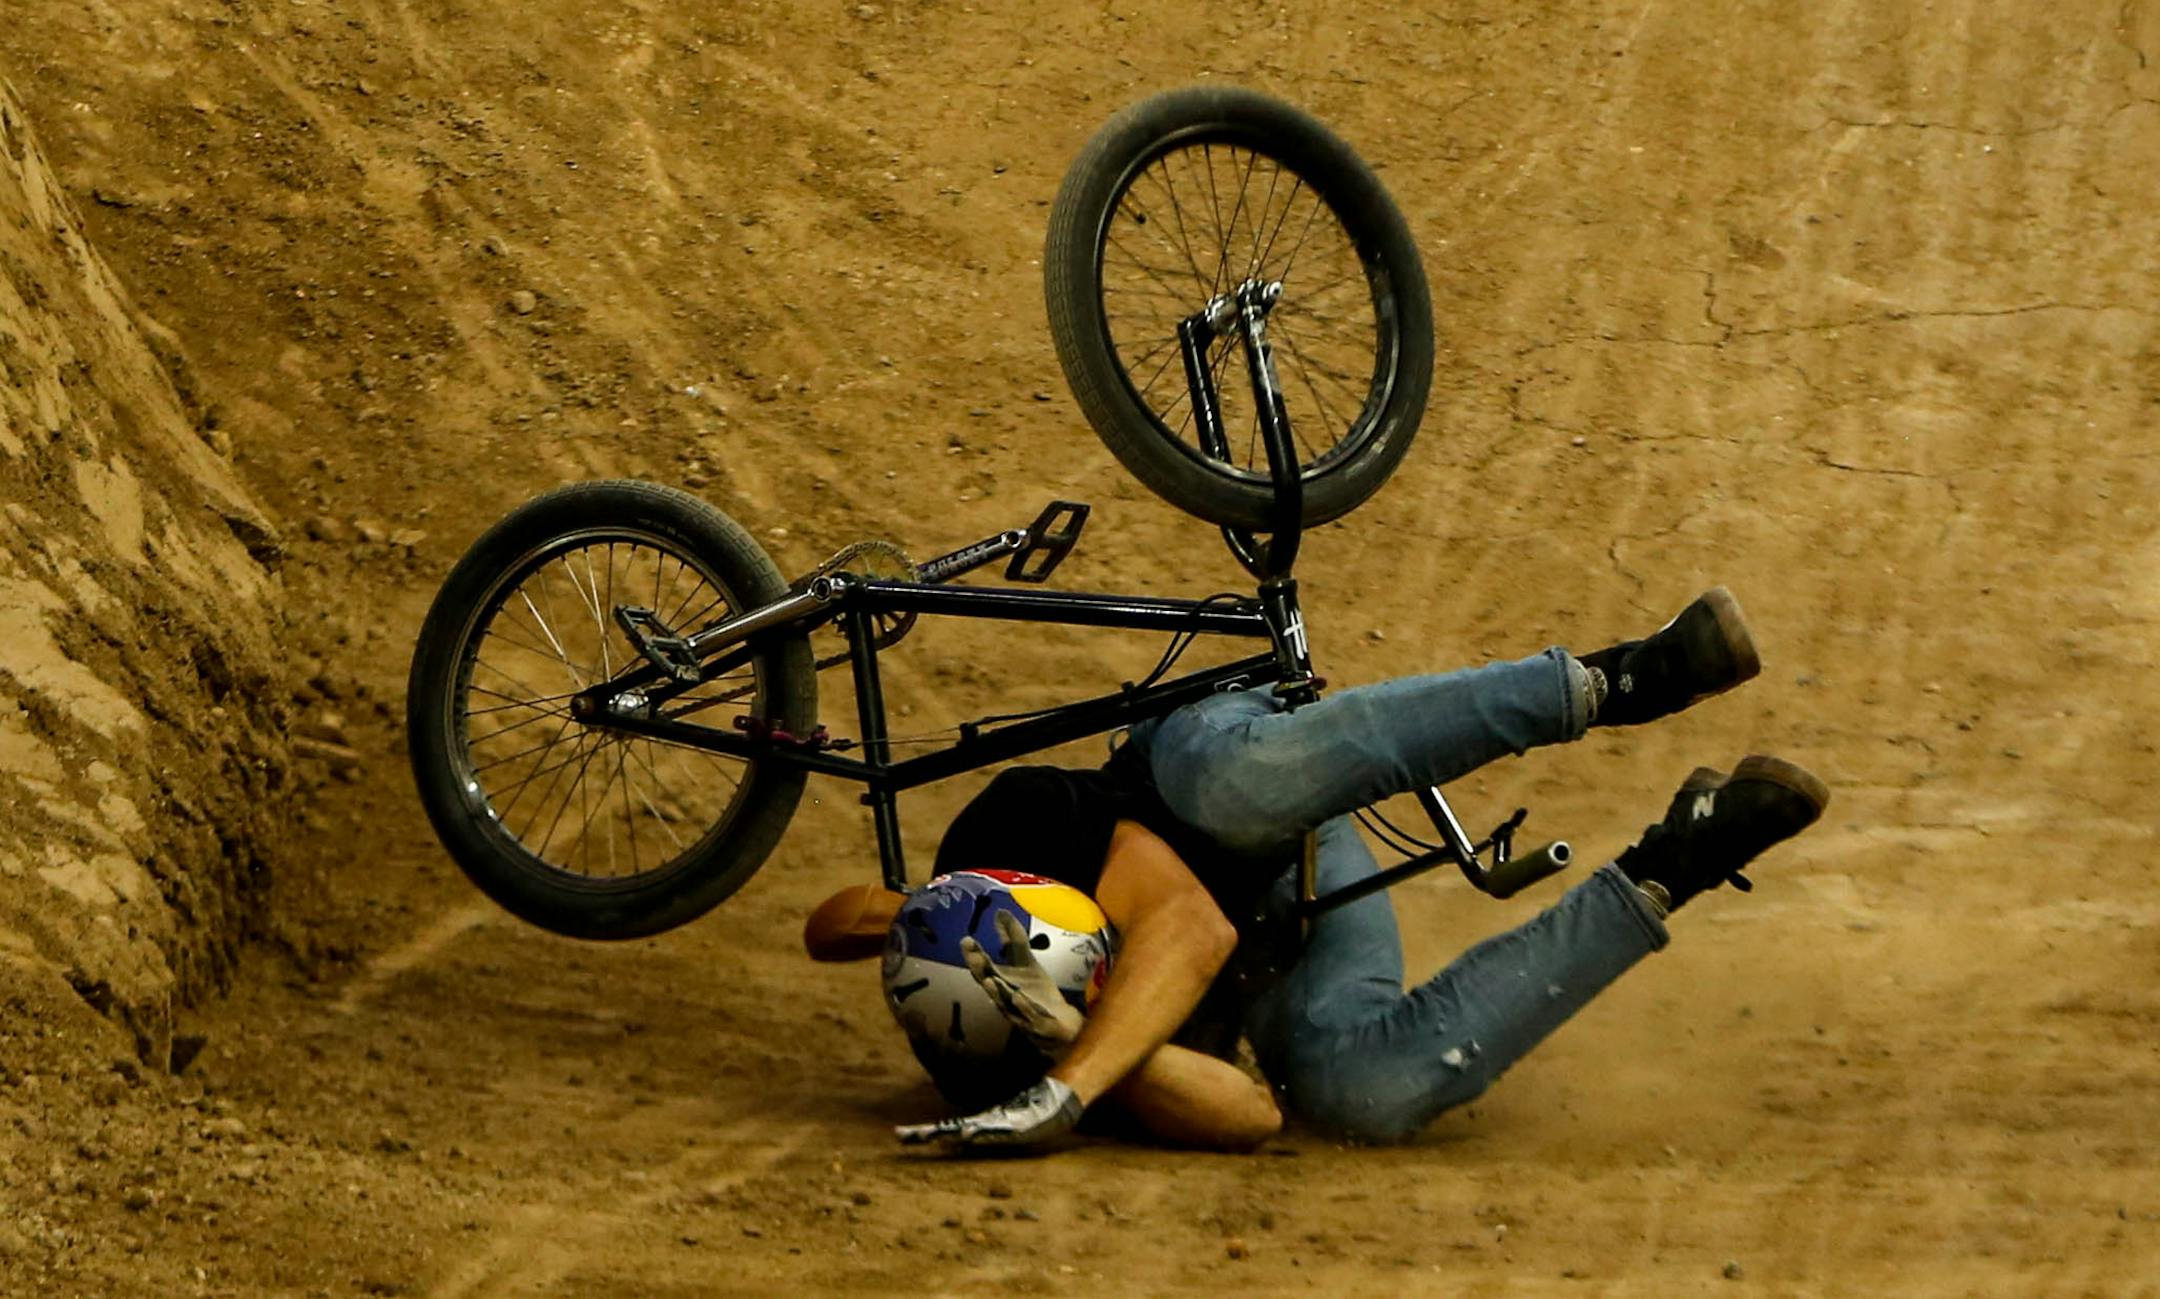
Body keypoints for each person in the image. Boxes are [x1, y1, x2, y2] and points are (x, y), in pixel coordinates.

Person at [835, 588, 1829, 1150]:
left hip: (1203, 758)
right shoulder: (1008, 1041)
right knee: (1358, 1096)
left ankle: (1616, 679)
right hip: (1285, 913)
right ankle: (1680, 857)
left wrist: (1057, 1085)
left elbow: (1191, 929)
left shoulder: (1020, 825)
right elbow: (1250, 1114)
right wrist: (1075, 1054)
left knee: (1235, 791)